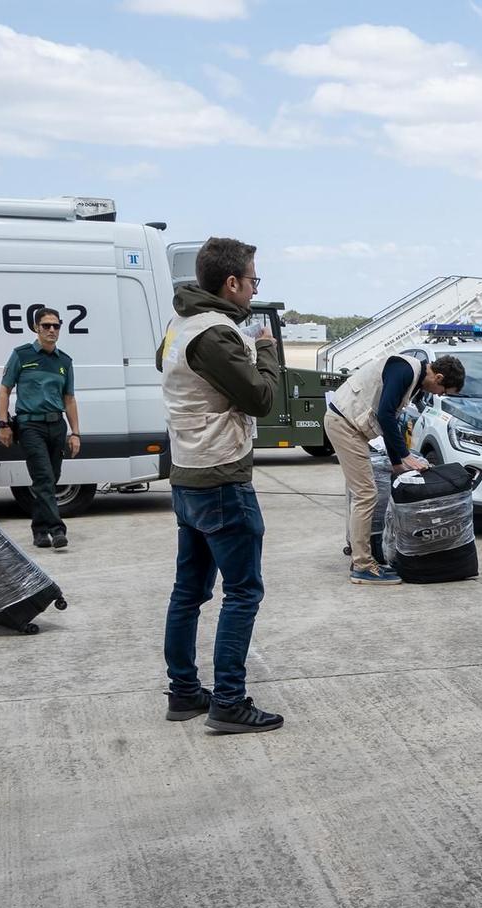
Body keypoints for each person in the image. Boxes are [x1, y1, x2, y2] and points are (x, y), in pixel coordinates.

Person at [158, 235, 285, 734]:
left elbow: (168, 369)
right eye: (253, 280)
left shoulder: (179, 324)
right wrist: (267, 354)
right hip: (221, 475)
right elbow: (259, 398)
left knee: (188, 591)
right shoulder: (217, 334)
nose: (255, 289)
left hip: (187, 473)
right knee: (243, 592)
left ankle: (184, 692)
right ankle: (229, 701)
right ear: (231, 283)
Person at [324, 349, 466, 584]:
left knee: (364, 493)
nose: (439, 394)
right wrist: (403, 456)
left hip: (349, 425)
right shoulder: (405, 369)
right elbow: (386, 415)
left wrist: (397, 463)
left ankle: (363, 559)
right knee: (366, 494)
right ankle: (362, 566)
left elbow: (390, 418)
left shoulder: (413, 377)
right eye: (443, 391)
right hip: (344, 425)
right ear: (439, 379)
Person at [0, 308, 81, 549]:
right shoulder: (21, 355)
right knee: (43, 477)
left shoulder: (64, 361)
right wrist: (4, 424)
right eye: (46, 325)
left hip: (56, 426)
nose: (51, 330)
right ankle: (57, 529)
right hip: (30, 425)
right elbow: (4, 390)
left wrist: (75, 433)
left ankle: (39, 529)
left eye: (56, 326)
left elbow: (70, 399)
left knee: (51, 479)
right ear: (36, 328)